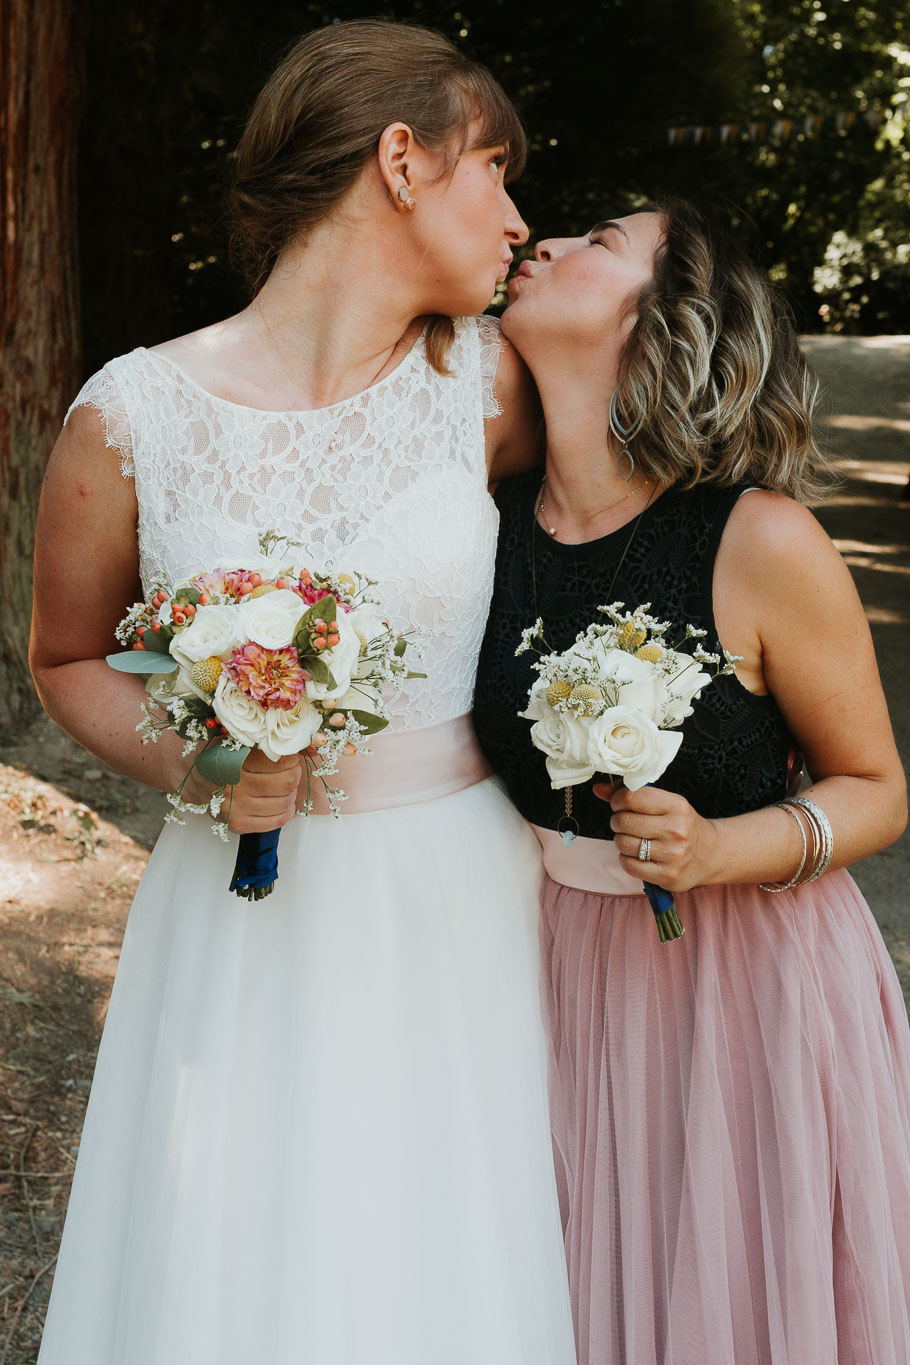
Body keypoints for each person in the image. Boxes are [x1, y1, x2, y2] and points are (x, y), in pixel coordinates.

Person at [30, 22, 578, 1364]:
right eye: (493, 171)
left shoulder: (496, 387)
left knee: (440, 1258)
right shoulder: (131, 414)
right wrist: (195, 761)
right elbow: (66, 656)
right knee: (235, 1265)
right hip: (237, 909)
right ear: (402, 160)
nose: (516, 219)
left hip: (460, 903)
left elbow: (655, 516)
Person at [473, 199, 910, 1364]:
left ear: (663, 325)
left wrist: (724, 849)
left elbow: (876, 785)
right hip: (551, 970)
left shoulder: (757, 540)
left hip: (748, 991)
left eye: (598, 242)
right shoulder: (477, 526)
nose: (546, 243)